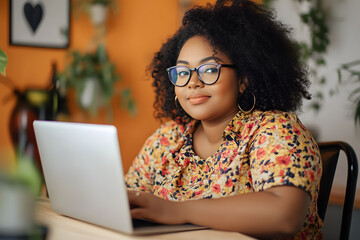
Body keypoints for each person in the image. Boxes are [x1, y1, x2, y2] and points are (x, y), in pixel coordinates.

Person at [125, 0, 322, 239]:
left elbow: (284, 216)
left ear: (244, 79)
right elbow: (127, 199)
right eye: (183, 72)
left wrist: (176, 211)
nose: (192, 82)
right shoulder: (168, 138)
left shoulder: (276, 130)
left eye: (209, 69)